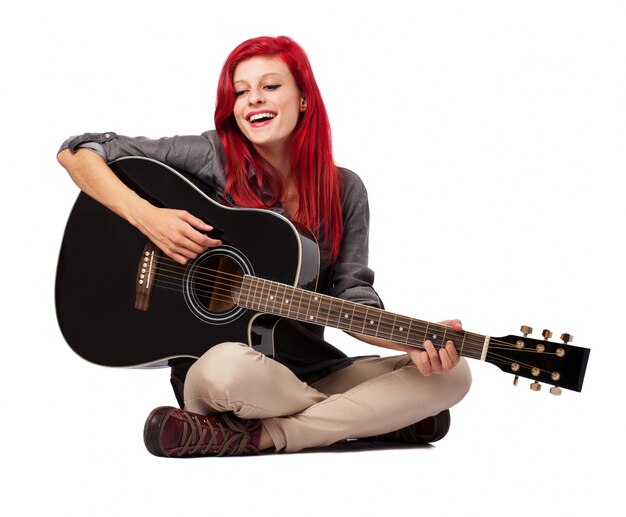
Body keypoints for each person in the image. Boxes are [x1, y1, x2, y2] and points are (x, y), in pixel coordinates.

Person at [57, 36, 472, 456]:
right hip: (225, 376)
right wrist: (150, 218)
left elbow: (352, 297)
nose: (254, 99)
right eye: (241, 91)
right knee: (228, 366)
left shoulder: (345, 189)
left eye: (271, 86)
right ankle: (368, 418)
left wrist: (407, 340)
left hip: (312, 373)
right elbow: (79, 152)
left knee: (451, 379)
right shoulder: (211, 155)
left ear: (304, 98)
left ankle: (259, 435)